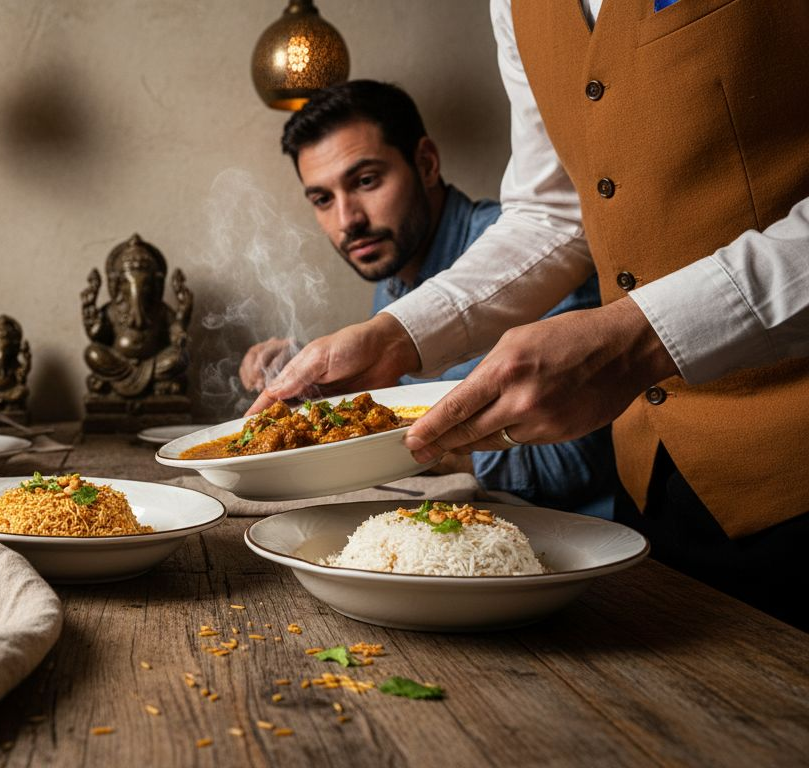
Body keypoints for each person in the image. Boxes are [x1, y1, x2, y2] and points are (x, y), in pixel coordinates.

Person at [253, 0, 809, 628]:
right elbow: (553, 211)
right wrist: (395, 337)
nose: (347, 217)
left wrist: (637, 337)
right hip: (650, 492)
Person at [239, 80, 613, 515]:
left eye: (365, 180)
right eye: (323, 199)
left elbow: (576, 462)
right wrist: (311, 378)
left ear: (427, 164)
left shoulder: (538, 260)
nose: (348, 220)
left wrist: (414, 446)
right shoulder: (394, 280)